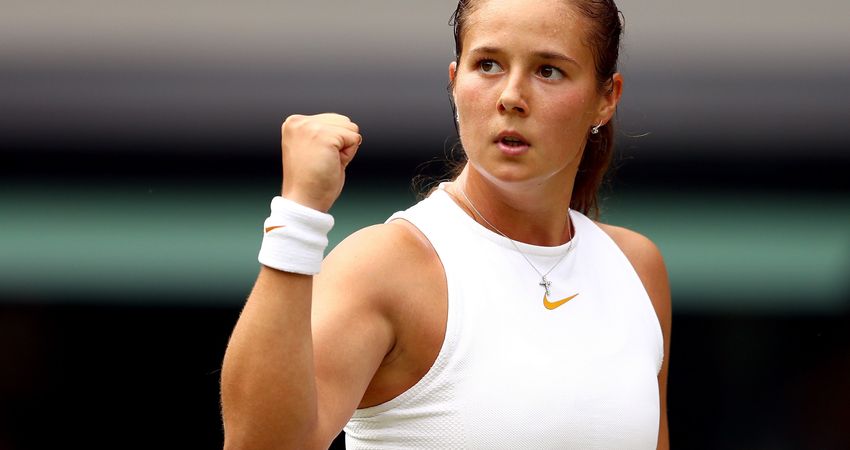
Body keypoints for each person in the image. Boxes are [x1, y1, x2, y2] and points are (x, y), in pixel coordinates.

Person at [220, 0, 671, 448]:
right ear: (455, 82)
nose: (511, 97)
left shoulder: (636, 266)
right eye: (489, 64)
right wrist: (298, 216)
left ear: (605, 99)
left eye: (548, 70)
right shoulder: (384, 266)